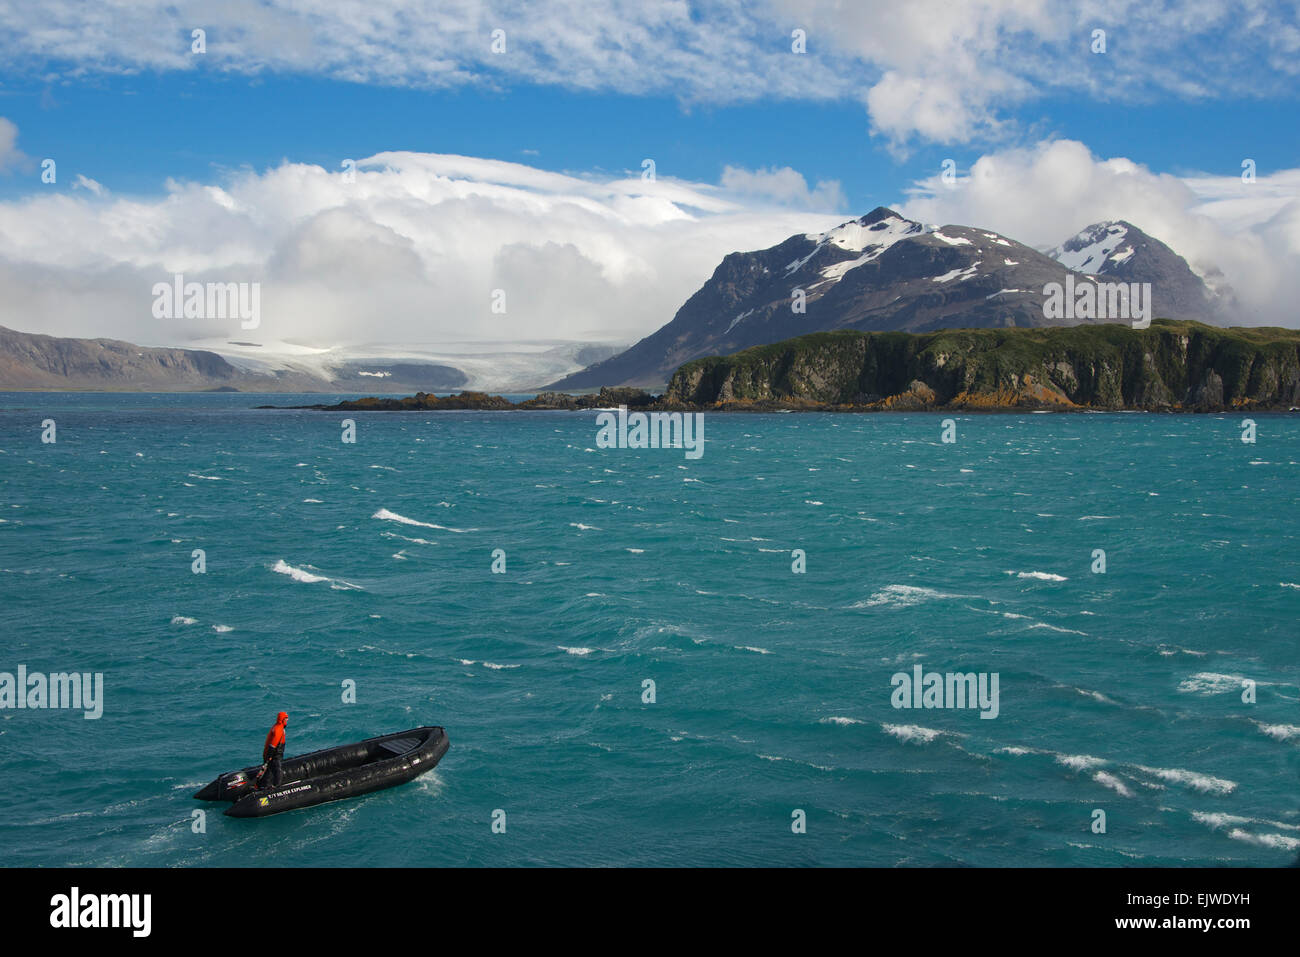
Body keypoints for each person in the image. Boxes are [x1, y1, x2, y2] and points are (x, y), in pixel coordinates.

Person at [257, 711, 288, 790]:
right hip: (275, 754)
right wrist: (270, 756)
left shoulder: (276, 727)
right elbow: (273, 744)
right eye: (286, 719)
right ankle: (277, 787)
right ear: (282, 719)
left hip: (272, 753)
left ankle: (264, 785)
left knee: (270, 769)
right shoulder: (278, 729)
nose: (287, 720)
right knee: (277, 769)